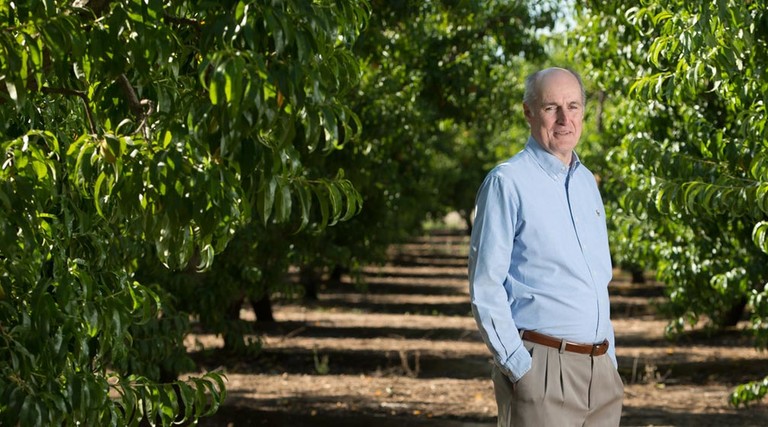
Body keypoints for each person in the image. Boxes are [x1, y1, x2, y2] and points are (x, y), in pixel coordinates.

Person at [468, 67, 624, 426]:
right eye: (551, 107)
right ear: (528, 112)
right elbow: (485, 285)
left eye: (573, 106)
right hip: (543, 369)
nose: (564, 119)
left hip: (601, 375)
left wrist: (610, 362)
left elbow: (598, 279)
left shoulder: (587, 183)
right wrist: (521, 368)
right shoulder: (507, 182)